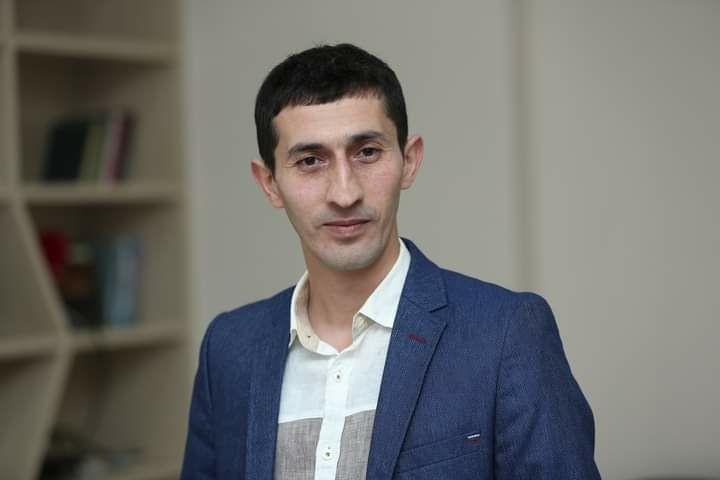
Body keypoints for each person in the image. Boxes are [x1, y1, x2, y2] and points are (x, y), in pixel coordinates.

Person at [181, 43, 601, 480]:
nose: (345, 193)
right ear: (269, 183)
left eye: (367, 152)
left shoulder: (506, 333)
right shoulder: (229, 350)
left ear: (409, 161)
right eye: (310, 161)